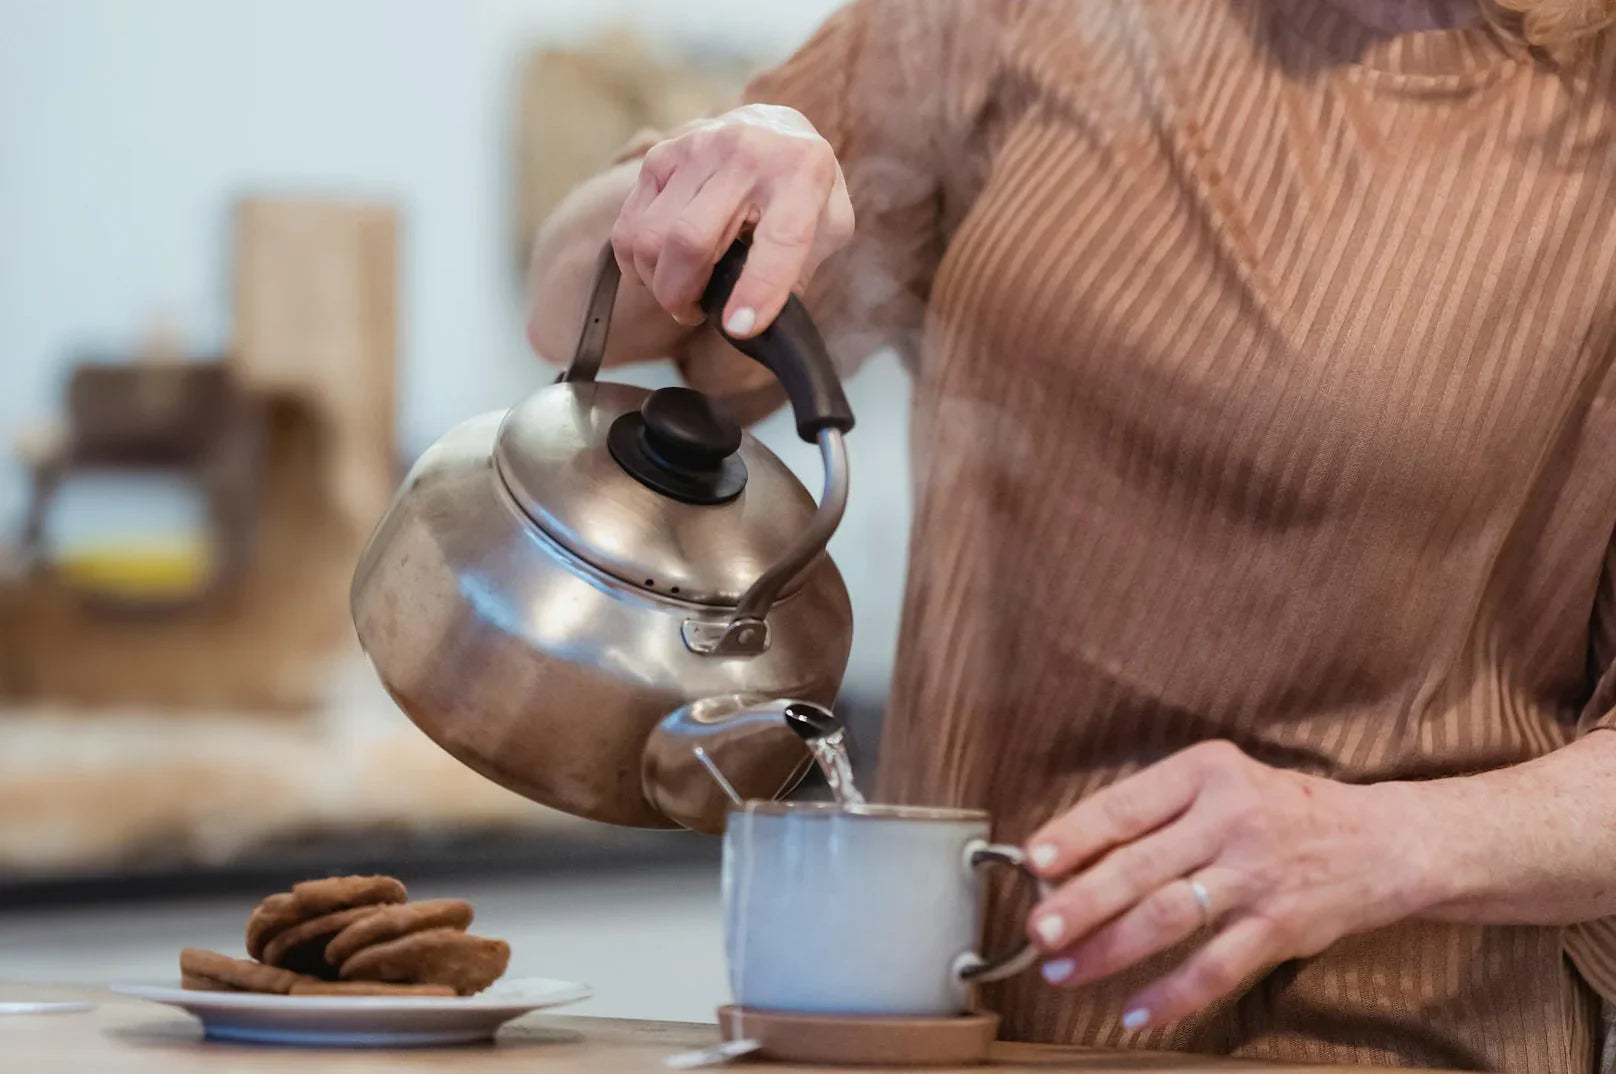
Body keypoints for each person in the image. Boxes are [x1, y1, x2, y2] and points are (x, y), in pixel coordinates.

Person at [526, 0, 1616, 1066]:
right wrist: (712, 166)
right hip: (941, 1021)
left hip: (1376, 1029)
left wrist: (1382, 844)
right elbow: (570, 306)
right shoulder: (1004, 21)